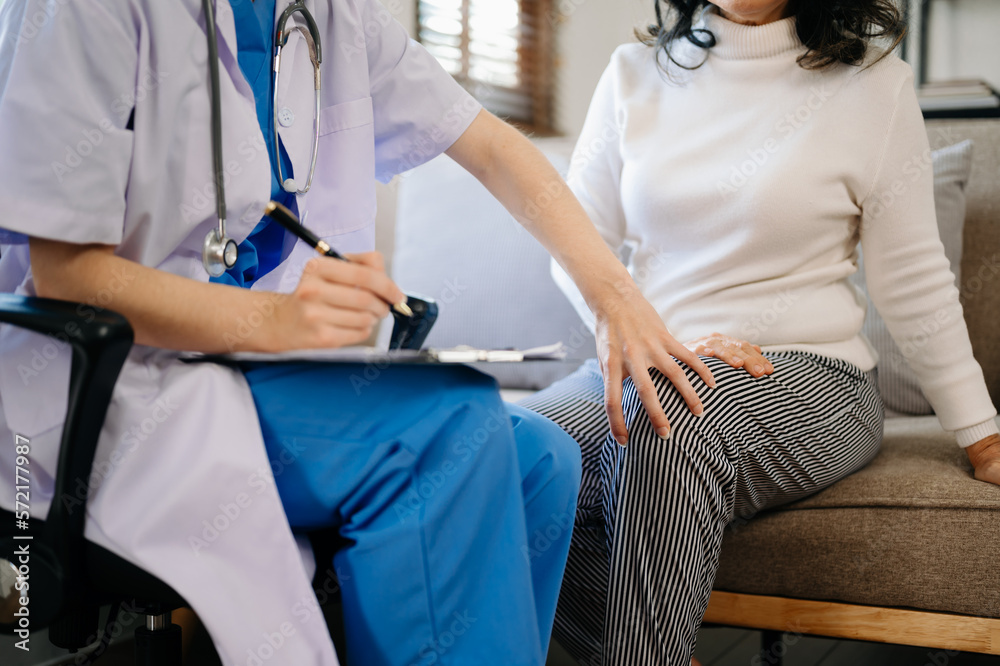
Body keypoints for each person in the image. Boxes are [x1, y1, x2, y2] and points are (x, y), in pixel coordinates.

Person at [0, 0, 720, 663]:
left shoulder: (328, 14)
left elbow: (495, 149)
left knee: (542, 457)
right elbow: (69, 275)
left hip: (246, 369)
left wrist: (615, 300)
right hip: (104, 382)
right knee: (445, 430)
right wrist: (276, 320)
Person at [522, 1, 1000, 664]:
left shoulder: (873, 85)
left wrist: (982, 434)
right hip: (650, 362)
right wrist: (651, 340)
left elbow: (912, 277)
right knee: (501, 452)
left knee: (670, 415)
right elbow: (578, 245)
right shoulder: (633, 73)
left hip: (812, 373)